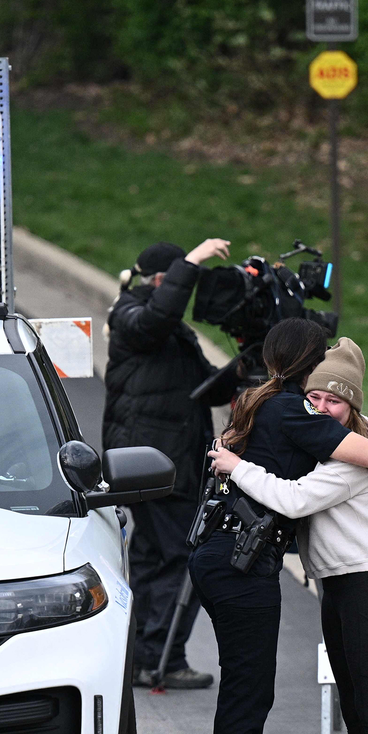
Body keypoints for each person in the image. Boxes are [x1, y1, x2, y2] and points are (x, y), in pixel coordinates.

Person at [189, 320, 368, 734]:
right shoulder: (289, 408)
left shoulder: (268, 402)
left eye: (334, 399)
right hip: (241, 563)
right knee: (248, 694)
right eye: (318, 392)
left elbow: (356, 465)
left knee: (246, 692)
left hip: (232, 558)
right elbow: (324, 481)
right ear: (308, 362)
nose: (322, 405)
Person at [105, 237, 230, 690]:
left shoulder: (168, 330)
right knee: (181, 555)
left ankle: (142, 656)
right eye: (180, 278)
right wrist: (193, 262)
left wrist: (242, 371)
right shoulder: (131, 314)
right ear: (163, 279)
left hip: (163, 460)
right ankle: (162, 657)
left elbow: (200, 391)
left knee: (154, 555)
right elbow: (157, 318)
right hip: (153, 463)